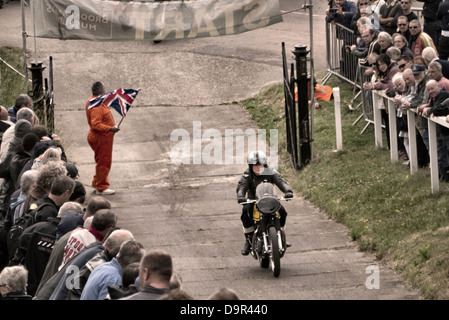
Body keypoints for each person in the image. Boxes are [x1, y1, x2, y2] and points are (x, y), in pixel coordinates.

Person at [10, 201, 81, 296]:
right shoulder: (72, 240)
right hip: (50, 291)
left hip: (25, 288)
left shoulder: (33, 229)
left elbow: (17, 259)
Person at [236, 151, 293, 256]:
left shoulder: (270, 172)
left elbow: (280, 181)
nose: (258, 168)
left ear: (265, 165)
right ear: (251, 166)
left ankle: (281, 235)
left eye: (260, 165)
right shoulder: (247, 175)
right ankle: (248, 240)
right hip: (254, 202)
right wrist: (241, 196)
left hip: (271, 200)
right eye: (255, 165)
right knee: (245, 211)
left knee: (282, 212)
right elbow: (242, 186)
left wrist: (288, 191)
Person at [86, 81, 120, 196]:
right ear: (102, 92)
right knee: (104, 162)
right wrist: (110, 128)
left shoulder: (93, 101)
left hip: (101, 137)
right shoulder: (97, 106)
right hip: (101, 138)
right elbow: (95, 124)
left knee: (101, 160)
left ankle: (97, 181)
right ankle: (102, 186)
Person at [419, 80, 449, 180]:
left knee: (443, 156)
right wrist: (427, 108)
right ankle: (443, 177)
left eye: (432, 88)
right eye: (428, 90)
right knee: (440, 156)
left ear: (438, 86)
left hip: (445, 132)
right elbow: (433, 107)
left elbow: (438, 108)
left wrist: (429, 110)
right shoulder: (434, 97)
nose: (431, 91)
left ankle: (445, 178)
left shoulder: (443, 94)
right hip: (441, 132)